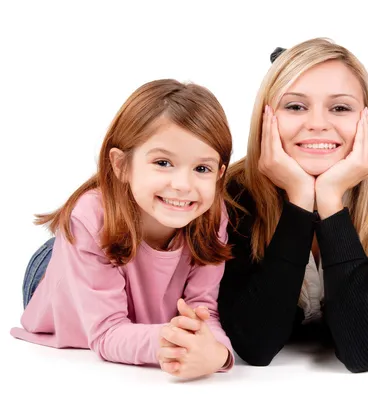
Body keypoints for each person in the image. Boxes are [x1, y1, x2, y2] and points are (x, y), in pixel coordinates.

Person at [213, 38, 368, 373]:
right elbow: (255, 344)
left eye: (340, 108)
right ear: (267, 117)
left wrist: (329, 201)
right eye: (295, 106)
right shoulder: (233, 197)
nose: (318, 123)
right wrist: (299, 198)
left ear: (366, 119)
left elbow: (364, 351)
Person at [11, 79, 235, 380]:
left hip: (141, 285)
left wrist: (217, 354)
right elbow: (106, 332)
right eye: (163, 162)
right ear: (121, 165)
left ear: (219, 174)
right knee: (82, 235)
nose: (183, 185)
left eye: (202, 169)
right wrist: (174, 345)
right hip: (63, 278)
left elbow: (203, 309)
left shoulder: (212, 214)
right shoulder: (90, 217)